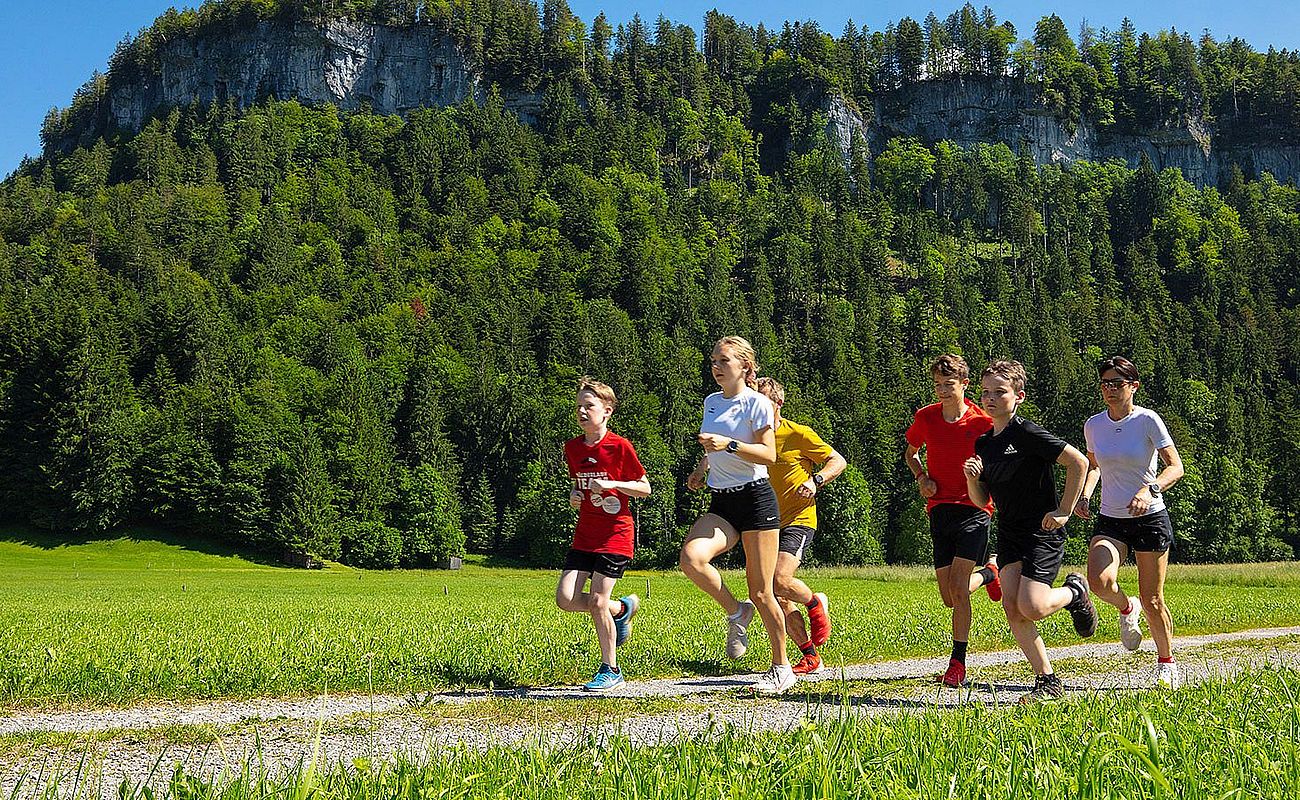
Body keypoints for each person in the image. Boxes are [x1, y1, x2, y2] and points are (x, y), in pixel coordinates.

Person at [963, 360, 1098, 703]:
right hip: (1009, 531)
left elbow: (1078, 462)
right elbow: (982, 501)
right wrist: (972, 478)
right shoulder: (983, 444)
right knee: (1013, 607)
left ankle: (1074, 592)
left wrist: (1064, 510)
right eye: (986, 392)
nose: (990, 398)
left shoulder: (1027, 433)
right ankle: (1047, 681)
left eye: (1000, 392)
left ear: (1018, 396)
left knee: (1033, 606)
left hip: (1042, 530)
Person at [681, 336, 793, 695]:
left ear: (745, 366)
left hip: (756, 501)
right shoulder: (711, 402)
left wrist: (728, 446)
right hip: (723, 502)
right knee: (691, 559)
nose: (716, 366)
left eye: (724, 361)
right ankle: (735, 611)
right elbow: (712, 445)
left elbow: (768, 454)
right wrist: (701, 469)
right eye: (713, 360)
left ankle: (781, 667)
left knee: (762, 592)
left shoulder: (757, 404)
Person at [1076, 356, 1186, 688]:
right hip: (1111, 518)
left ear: (1133, 387)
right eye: (1105, 383)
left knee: (1153, 599)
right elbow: (1094, 466)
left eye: (1117, 384)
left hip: (1149, 517)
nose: (1110, 389)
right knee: (1099, 583)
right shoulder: (1094, 425)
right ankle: (1126, 609)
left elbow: (1175, 467)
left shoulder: (1148, 420)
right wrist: (1085, 495)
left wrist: (1149, 489)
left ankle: (1166, 662)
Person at [904, 354, 1003, 688]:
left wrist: (985, 479)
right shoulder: (926, 417)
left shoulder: (982, 422)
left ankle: (957, 664)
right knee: (949, 597)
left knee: (959, 591)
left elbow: (1000, 460)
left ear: (964, 384)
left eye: (949, 384)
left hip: (975, 509)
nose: (943, 391)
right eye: (937, 385)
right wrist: (921, 477)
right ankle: (991, 572)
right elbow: (911, 452)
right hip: (939, 508)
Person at [556, 378, 651, 692]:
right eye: (579, 407)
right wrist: (574, 494)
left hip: (615, 535)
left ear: (607, 411)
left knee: (597, 600)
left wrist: (613, 485)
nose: (582, 412)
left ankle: (610, 669)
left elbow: (644, 489)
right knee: (566, 599)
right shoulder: (572, 448)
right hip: (585, 535)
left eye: (589, 406)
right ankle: (620, 610)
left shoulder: (619, 447)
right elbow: (579, 483)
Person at [755, 377, 847, 675]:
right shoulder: (750, 438)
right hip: (765, 523)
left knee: (780, 580)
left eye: (761, 403)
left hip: (798, 519)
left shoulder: (798, 434)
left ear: (777, 404)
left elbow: (837, 460)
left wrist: (815, 480)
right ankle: (810, 655)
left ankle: (814, 601)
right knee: (775, 595)